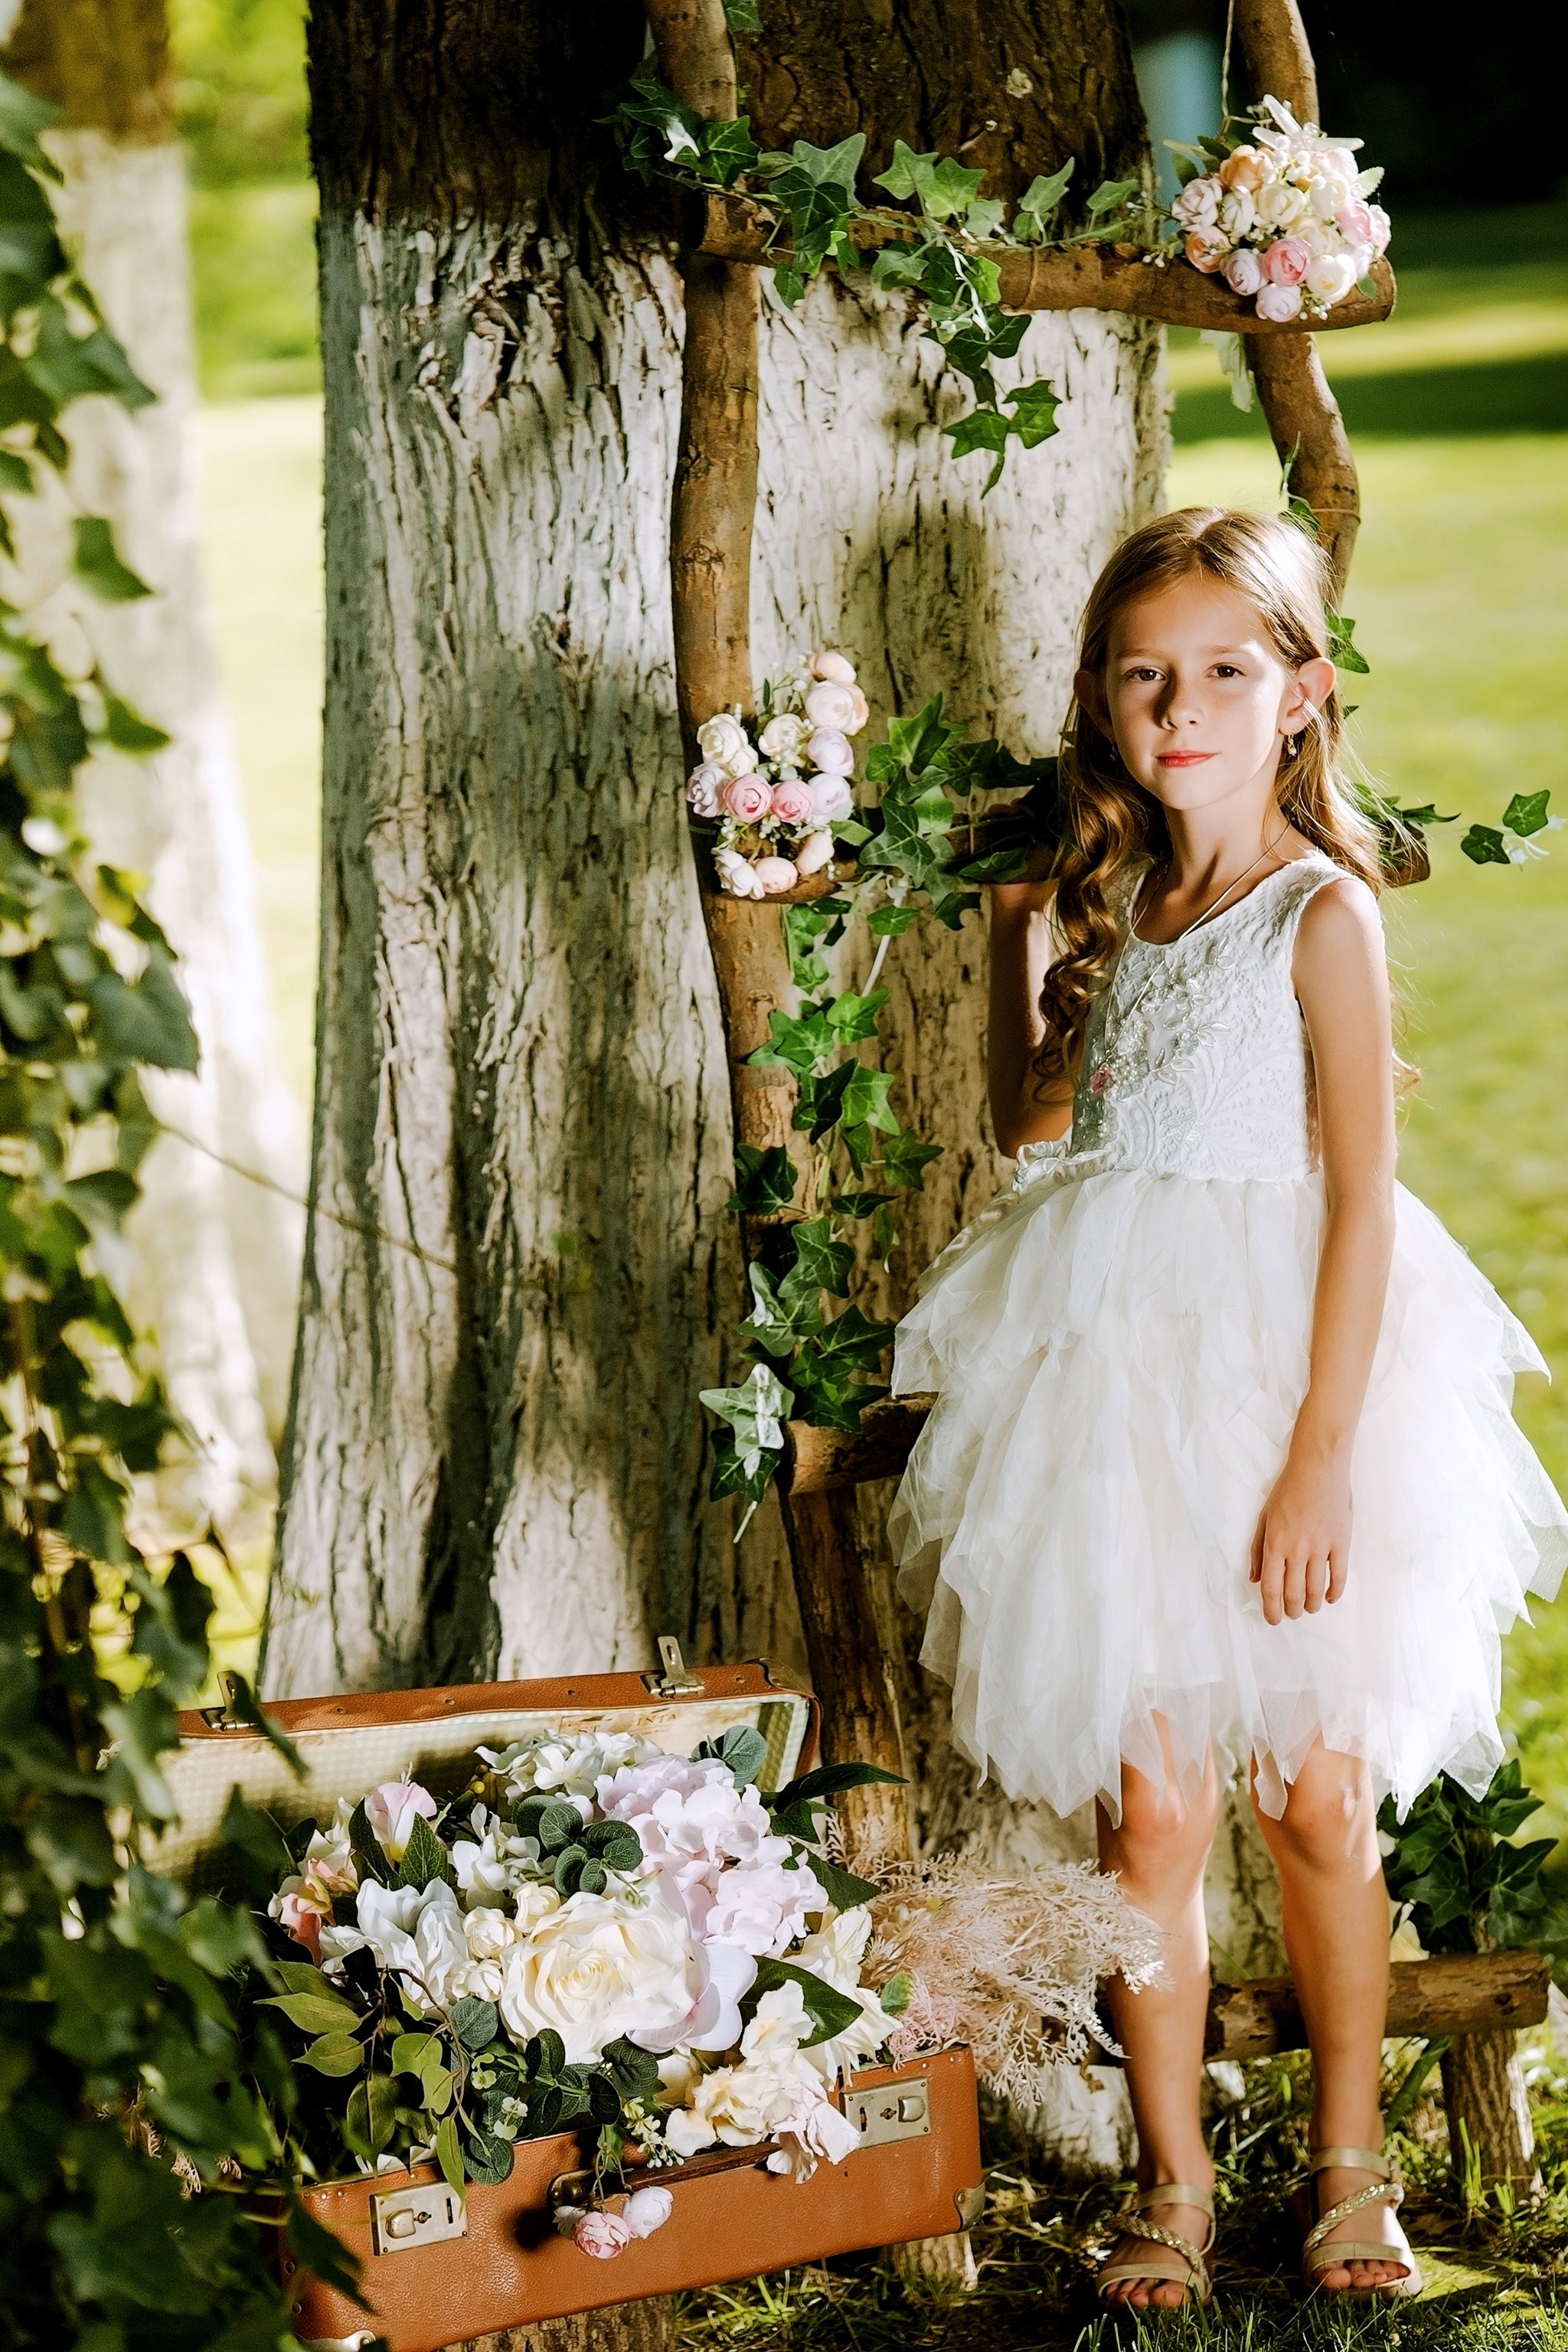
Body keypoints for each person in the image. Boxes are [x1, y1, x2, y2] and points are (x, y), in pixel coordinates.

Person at [887, 507, 1567, 2307]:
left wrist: (1319, 1463)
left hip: (1289, 1392)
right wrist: (1019, 927)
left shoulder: (1314, 914)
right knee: (1154, 1824)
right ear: (1104, 705)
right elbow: (1033, 1122)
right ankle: (1174, 2183)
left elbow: (1360, 1198)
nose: (1177, 707)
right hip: (1117, 1406)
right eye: (1143, 676)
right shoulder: (1131, 904)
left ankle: (1351, 2169)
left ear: (1299, 697)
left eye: (1220, 672)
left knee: (1319, 1802)